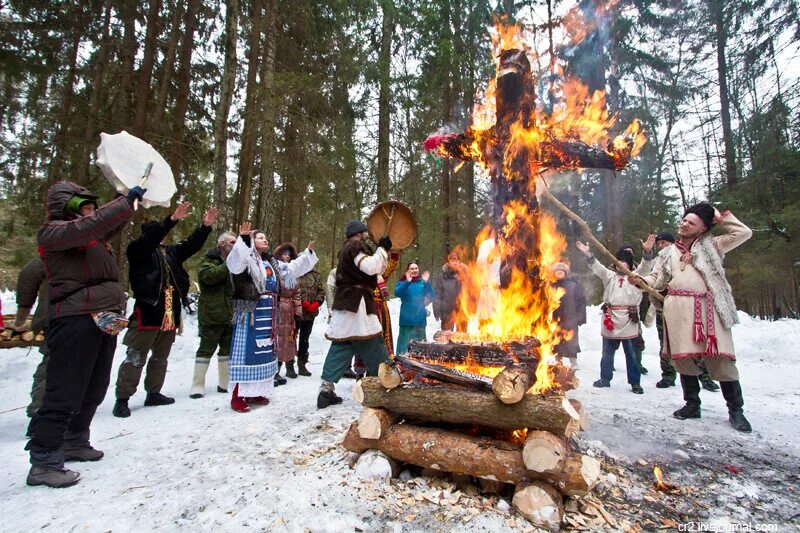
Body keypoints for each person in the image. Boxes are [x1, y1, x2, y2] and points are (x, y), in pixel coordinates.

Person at [26, 181, 140, 488]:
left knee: (94, 385)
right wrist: (123, 201)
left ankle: (75, 440)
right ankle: (45, 458)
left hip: (103, 318)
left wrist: (126, 203)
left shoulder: (91, 238)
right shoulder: (54, 233)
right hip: (75, 319)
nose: (91, 210)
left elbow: (108, 223)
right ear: (69, 207)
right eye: (85, 206)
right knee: (65, 389)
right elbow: (92, 225)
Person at [634, 203, 753, 432]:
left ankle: (736, 411)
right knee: (683, 360)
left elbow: (743, 233)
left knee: (722, 360)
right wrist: (642, 282)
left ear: (703, 228)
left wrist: (720, 218)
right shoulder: (667, 253)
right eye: (684, 220)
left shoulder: (714, 245)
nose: (684, 224)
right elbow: (656, 278)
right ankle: (692, 404)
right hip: (677, 310)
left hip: (709, 310)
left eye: (691, 222)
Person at [112, 203, 216, 418]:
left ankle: (154, 392)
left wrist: (205, 227)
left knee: (161, 357)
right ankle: (122, 398)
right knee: (135, 356)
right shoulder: (138, 251)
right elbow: (148, 240)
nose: (161, 238)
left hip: (168, 314)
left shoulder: (170, 253)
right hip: (147, 312)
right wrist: (171, 220)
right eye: (157, 234)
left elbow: (191, 245)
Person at [226, 223, 317, 413]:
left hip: (268, 313)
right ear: (251, 241)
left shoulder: (270, 262)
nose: (265, 239)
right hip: (250, 313)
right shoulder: (245, 259)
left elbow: (292, 268)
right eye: (259, 237)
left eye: (265, 237)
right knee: (246, 354)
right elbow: (233, 265)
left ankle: (255, 391)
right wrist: (242, 239)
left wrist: (307, 253)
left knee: (264, 353)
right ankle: (237, 395)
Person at [318, 220, 392, 409]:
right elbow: (370, 267)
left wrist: (381, 253)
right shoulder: (355, 246)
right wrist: (383, 249)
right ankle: (384, 386)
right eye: (365, 232)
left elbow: (374, 270)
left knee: (341, 347)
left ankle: (326, 391)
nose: (367, 234)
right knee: (374, 344)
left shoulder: (346, 249)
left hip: (345, 304)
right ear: (359, 233)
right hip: (358, 306)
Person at [576, 235, 656, 394]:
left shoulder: (636, 278)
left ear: (630, 264)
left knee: (632, 354)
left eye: (625, 262)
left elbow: (646, 267)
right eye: (619, 262)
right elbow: (597, 267)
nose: (621, 264)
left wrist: (647, 252)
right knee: (607, 353)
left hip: (629, 319)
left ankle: (635, 382)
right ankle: (605, 378)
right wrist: (587, 254)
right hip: (610, 318)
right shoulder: (609, 276)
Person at [651, 232, 719, 391]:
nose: (661, 246)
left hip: (691, 308)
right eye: (659, 244)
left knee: (697, 342)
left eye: (664, 242)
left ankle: (705, 376)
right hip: (667, 308)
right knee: (669, 344)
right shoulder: (658, 260)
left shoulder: (687, 256)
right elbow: (652, 278)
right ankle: (668, 375)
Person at [190, 231, 237, 398]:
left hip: (229, 313)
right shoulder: (208, 259)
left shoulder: (234, 262)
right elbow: (209, 277)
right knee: (206, 348)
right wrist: (229, 264)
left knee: (227, 350)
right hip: (211, 313)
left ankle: (224, 384)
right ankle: (197, 385)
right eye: (232, 242)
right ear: (222, 243)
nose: (235, 245)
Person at [14, 256, 50, 432]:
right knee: (52, 366)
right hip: (55, 318)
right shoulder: (55, 251)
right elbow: (29, 274)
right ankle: (39, 413)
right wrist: (24, 308)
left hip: (83, 318)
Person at [273, 242, 303, 383]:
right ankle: (275, 369)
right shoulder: (275, 272)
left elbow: (296, 293)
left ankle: (290, 367)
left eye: (289, 255)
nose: (287, 257)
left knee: (291, 338)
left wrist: (298, 311)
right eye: (284, 254)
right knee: (278, 339)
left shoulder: (291, 275)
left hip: (289, 311)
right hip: (278, 309)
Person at [550, 262, 587, 369]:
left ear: (565, 273)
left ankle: (573, 362)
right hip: (555, 319)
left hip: (570, 318)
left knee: (572, 341)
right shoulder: (550, 286)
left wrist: (580, 317)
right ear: (554, 272)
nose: (559, 271)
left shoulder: (573, 285)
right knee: (556, 341)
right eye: (557, 270)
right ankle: (558, 361)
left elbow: (581, 302)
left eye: (562, 270)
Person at [394, 262, 435, 355]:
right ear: (407, 271)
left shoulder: (422, 283)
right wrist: (407, 282)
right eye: (411, 268)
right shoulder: (402, 282)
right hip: (406, 320)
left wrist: (427, 283)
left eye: (416, 268)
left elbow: (432, 295)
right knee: (404, 347)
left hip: (420, 320)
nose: (414, 270)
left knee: (421, 348)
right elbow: (397, 293)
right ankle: (401, 363)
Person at [296, 266, 326, 376]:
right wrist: (302, 301)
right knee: (290, 338)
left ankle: (302, 365)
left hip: (310, 314)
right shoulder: (296, 272)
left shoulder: (316, 275)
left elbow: (321, 291)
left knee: (304, 339)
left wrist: (317, 303)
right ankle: (289, 365)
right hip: (296, 312)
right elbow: (292, 289)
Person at [433, 252, 467, 332]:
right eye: (452, 260)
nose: (454, 262)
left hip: (463, 313)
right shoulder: (442, 277)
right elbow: (437, 295)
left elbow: (471, 292)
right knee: (447, 339)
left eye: (456, 260)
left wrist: (472, 308)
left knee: (462, 339)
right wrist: (437, 310)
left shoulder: (466, 276)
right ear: (448, 263)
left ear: (460, 262)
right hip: (447, 313)